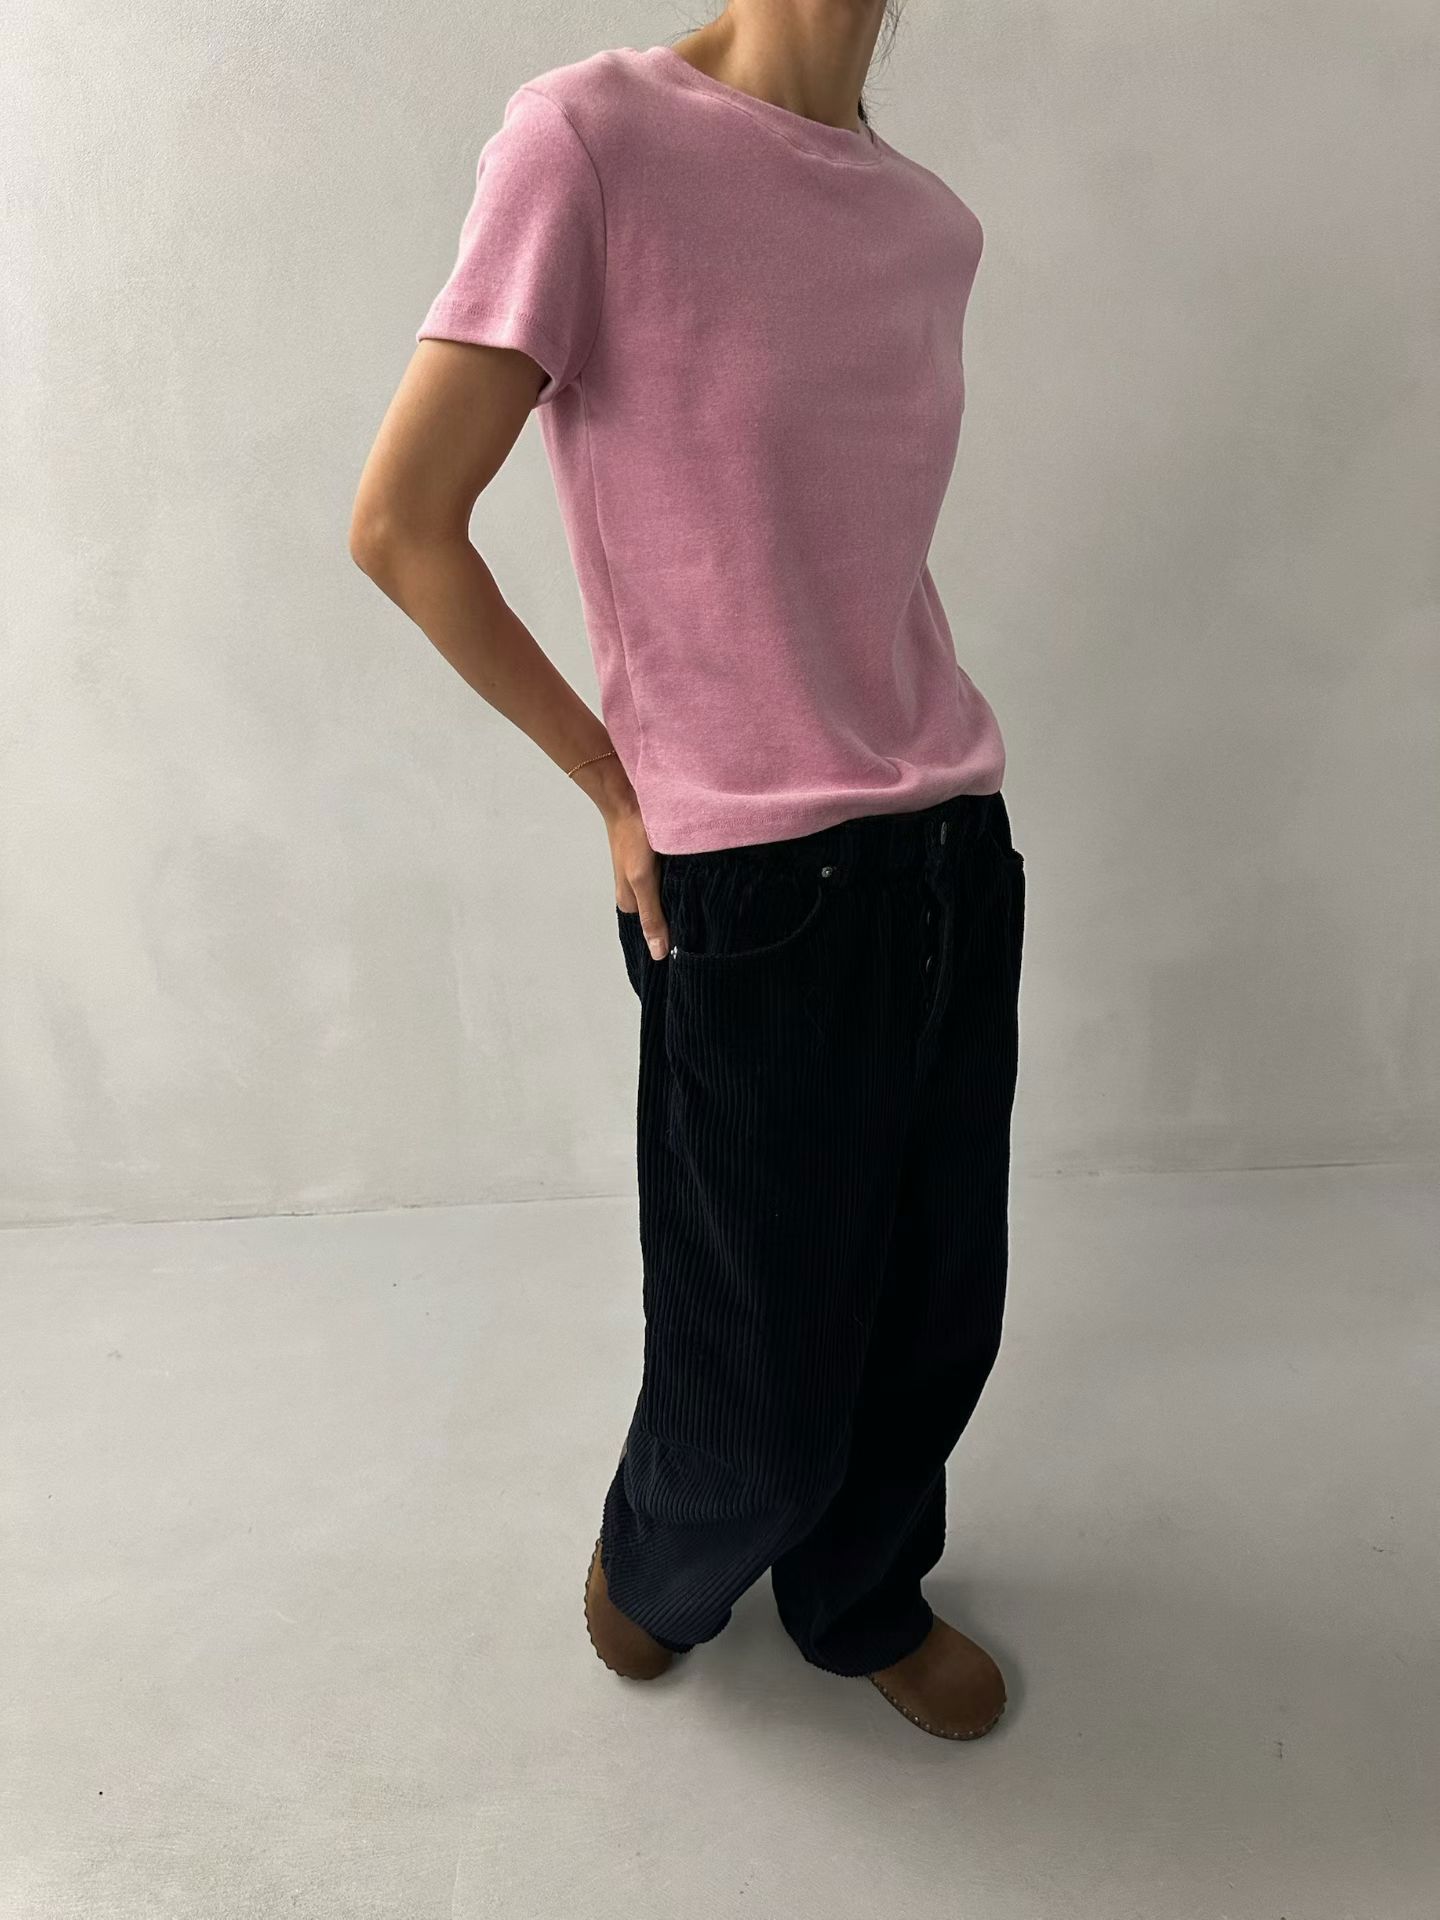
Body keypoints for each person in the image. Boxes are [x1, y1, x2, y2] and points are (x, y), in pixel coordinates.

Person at [349, 3, 1025, 1742]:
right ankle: (661, 1564)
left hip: (952, 846)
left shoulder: (927, 225)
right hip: (755, 888)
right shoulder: (593, 142)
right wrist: (609, 779)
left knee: (936, 1317)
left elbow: (851, 562)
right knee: (761, 1387)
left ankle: (862, 1595)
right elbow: (403, 524)